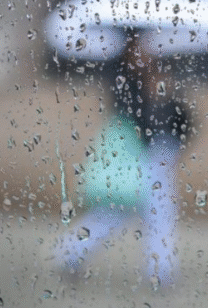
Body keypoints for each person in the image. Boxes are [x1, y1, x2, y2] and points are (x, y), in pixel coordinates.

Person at [51, 33, 191, 289]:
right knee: (143, 212)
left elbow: (182, 118)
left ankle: (71, 253)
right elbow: (140, 116)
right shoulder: (125, 78)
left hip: (157, 151)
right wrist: (155, 89)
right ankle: (159, 271)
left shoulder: (159, 72)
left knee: (136, 213)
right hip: (140, 154)